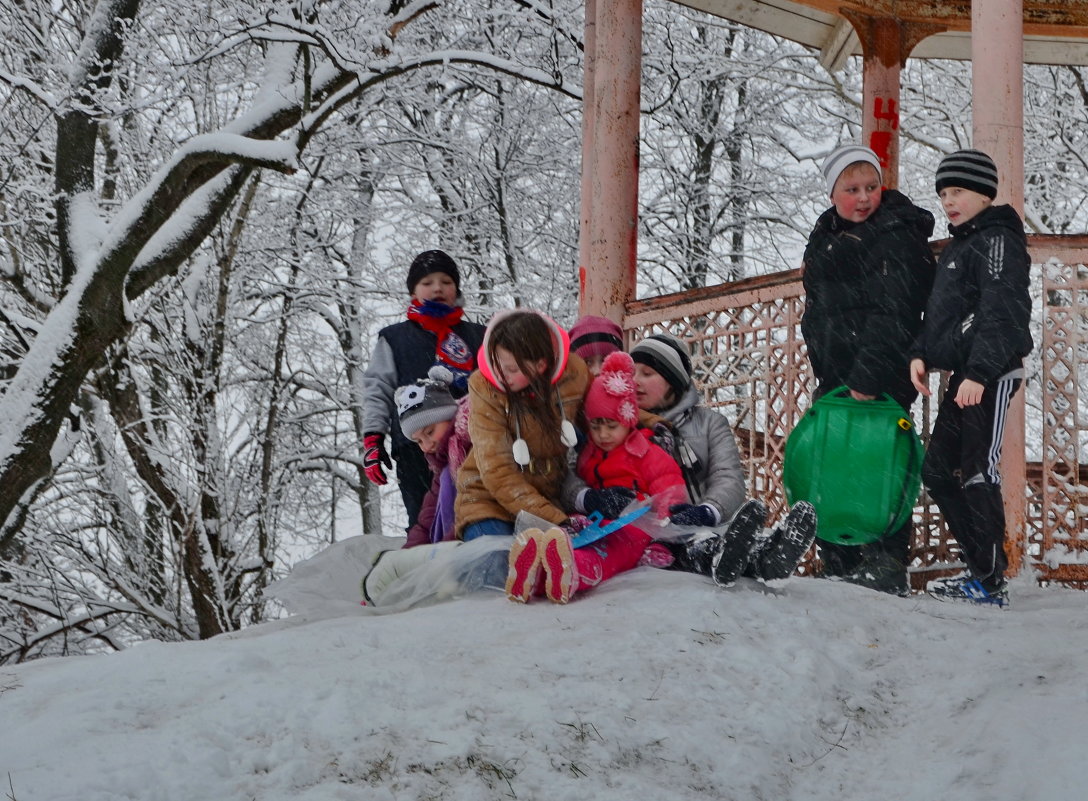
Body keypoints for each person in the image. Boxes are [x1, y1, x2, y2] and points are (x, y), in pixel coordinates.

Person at [800, 144, 936, 595]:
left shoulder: (896, 233)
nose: (864, 198)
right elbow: (820, 306)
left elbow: (895, 311)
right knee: (834, 463)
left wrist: (868, 375)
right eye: (852, 189)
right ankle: (840, 556)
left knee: (881, 463)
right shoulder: (826, 236)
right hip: (837, 373)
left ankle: (885, 560)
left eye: (872, 187)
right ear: (832, 192)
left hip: (880, 373)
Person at [909, 149, 1032, 607]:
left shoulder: (998, 239)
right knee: (938, 471)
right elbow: (946, 317)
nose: (948, 202)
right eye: (943, 194)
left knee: (979, 471)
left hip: (991, 372)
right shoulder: (961, 245)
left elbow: (1002, 311)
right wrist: (920, 353)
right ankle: (981, 571)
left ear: (983, 192)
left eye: (957, 191)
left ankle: (989, 581)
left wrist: (980, 371)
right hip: (966, 374)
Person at [628, 333, 818, 587]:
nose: (635, 381)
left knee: (712, 540)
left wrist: (707, 511)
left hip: (703, 526)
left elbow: (728, 477)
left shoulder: (709, 424)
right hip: (648, 532)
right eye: (631, 373)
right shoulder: (619, 427)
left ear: (672, 381)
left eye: (647, 373)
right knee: (699, 547)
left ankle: (771, 553)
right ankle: (752, 559)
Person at [506, 351, 687, 603]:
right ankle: (536, 574)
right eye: (595, 425)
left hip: (635, 526)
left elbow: (671, 492)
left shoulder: (646, 452)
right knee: (572, 535)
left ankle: (573, 570)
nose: (603, 434)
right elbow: (575, 488)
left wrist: (664, 540)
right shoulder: (589, 454)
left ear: (629, 421)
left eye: (612, 426)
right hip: (595, 521)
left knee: (608, 552)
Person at [361, 249, 486, 530]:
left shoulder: (480, 336)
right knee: (426, 523)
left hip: (477, 445)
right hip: (416, 449)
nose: (438, 288)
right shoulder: (394, 338)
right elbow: (377, 389)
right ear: (414, 291)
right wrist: (373, 439)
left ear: (456, 288)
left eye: (446, 281)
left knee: (478, 517)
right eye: (427, 282)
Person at [454, 309, 589, 541]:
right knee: (499, 561)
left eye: (512, 369)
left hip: (545, 499)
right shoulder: (485, 387)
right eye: (496, 364)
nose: (500, 375)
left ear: (541, 365)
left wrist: (650, 422)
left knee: (558, 568)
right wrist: (555, 520)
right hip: (487, 502)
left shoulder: (573, 374)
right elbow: (497, 470)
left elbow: (603, 411)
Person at [394, 367, 472, 548]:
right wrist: (409, 554)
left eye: (429, 432)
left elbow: (473, 504)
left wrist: (444, 551)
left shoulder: (474, 442)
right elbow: (428, 516)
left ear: (450, 416)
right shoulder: (444, 463)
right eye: (419, 441)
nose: (427, 446)